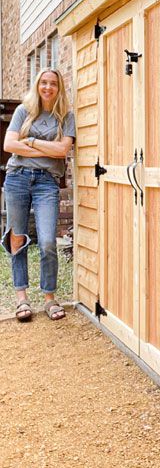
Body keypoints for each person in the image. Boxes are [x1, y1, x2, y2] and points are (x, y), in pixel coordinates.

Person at [2, 69, 75, 322]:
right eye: (44, 82)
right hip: (18, 178)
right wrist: (46, 149)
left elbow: (62, 150)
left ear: (59, 88)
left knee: (47, 242)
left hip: (47, 183)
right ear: (37, 85)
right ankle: (21, 298)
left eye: (53, 83)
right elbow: (9, 145)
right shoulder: (24, 111)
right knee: (17, 239)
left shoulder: (65, 116)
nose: (48, 87)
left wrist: (30, 141)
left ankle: (49, 298)